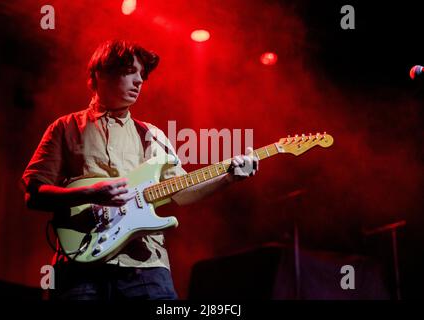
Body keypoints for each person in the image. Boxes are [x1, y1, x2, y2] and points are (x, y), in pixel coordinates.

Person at [21, 39, 259, 300]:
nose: (139, 81)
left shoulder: (153, 136)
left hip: (145, 266)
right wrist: (90, 194)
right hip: (80, 266)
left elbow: (183, 192)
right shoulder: (65, 127)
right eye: (129, 72)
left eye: (142, 75)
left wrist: (228, 177)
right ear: (101, 73)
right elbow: (34, 193)